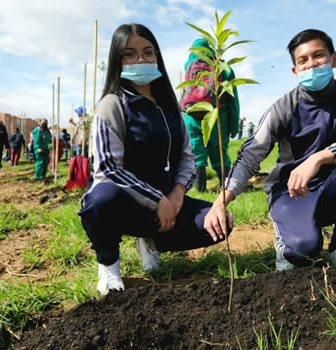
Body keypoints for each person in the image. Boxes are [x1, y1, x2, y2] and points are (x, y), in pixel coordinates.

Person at [204, 29, 336, 277]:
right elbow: (249, 156)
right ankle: (290, 237)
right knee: (302, 251)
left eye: (319, 56)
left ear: (334, 59)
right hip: (293, 192)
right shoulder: (284, 107)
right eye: (303, 60)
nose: (312, 64)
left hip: (332, 185)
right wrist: (221, 200)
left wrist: (318, 157)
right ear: (295, 70)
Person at [78, 23, 233, 295]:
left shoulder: (170, 107)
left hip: (168, 202)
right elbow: (108, 168)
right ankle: (109, 265)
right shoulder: (112, 105)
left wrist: (176, 193)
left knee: (220, 222)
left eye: (148, 52)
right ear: (118, 60)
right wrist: (157, 199)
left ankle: (150, 241)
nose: (141, 59)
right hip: (127, 202)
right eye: (130, 54)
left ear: (157, 56)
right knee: (100, 199)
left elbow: (188, 156)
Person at [180, 38, 240, 192]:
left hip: (191, 117)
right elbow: (233, 99)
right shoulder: (224, 68)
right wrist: (234, 125)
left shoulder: (188, 67)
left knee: (197, 154)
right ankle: (225, 188)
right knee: (219, 152)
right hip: (217, 117)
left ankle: (200, 190)